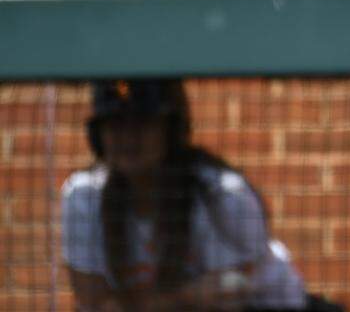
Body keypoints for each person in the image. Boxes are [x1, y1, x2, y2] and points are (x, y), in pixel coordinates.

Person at [60, 79, 333, 312]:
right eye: (116, 124)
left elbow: (229, 296)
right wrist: (180, 297)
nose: (129, 138)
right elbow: (94, 301)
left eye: (142, 123)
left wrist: (161, 302)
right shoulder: (83, 196)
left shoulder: (223, 194)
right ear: (97, 135)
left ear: (171, 131)